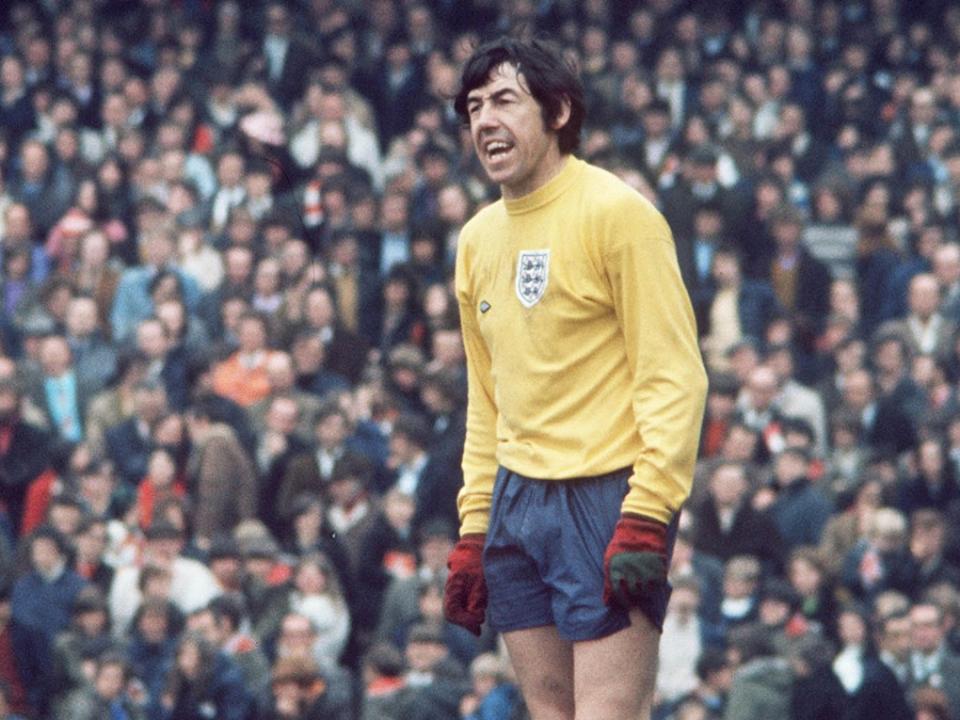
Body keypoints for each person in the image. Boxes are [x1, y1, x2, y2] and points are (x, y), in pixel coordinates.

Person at [442, 37, 707, 719]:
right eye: (474, 107)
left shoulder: (619, 215)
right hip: (515, 498)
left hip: (607, 492)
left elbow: (674, 377)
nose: (485, 120)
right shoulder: (476, 240)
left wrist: (648, 513)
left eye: (505, 100)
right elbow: (486, 401)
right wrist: (475, 525)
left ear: (558, 112)